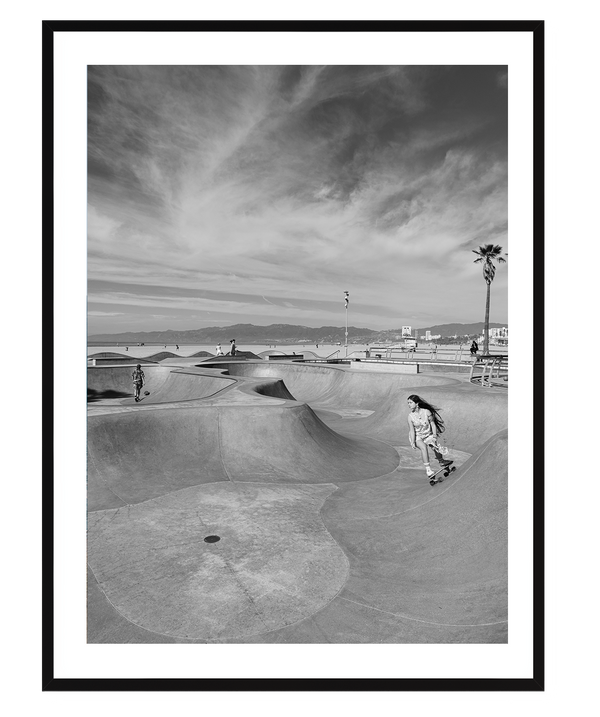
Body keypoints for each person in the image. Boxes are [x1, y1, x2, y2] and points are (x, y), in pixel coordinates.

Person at [407, 394, 452, 479]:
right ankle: (428, 470)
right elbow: (412, 431)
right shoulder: (410, 417)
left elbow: (432, 424)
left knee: (434, 445)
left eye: (410, 402)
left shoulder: (426, 412)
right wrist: (413, 442)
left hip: (427, 434)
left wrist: (434, 436)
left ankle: (441, 461)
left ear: (416, 404)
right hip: (417, 437)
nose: (409, 405)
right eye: (408, 403)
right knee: (423, 447)